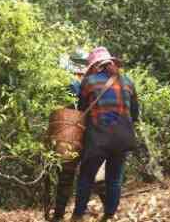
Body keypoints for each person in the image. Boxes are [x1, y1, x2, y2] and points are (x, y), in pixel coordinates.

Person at [71, 47, 139, 222]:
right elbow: (135, 114)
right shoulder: (128, 82)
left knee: (86, 176)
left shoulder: (89, 82)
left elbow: (81, 110)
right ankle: (109, 215)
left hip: (98, 139)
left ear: (95, 66)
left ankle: (78, 215)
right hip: (123, 137)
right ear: (111, 63)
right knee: (114, 178)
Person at [51, 50, 106, 222]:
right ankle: (109, 210)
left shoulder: (78, 83)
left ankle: (62, 215)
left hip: (73, 133)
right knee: (92, 174)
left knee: (70, 175)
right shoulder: (88, 83)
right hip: (82, 133)